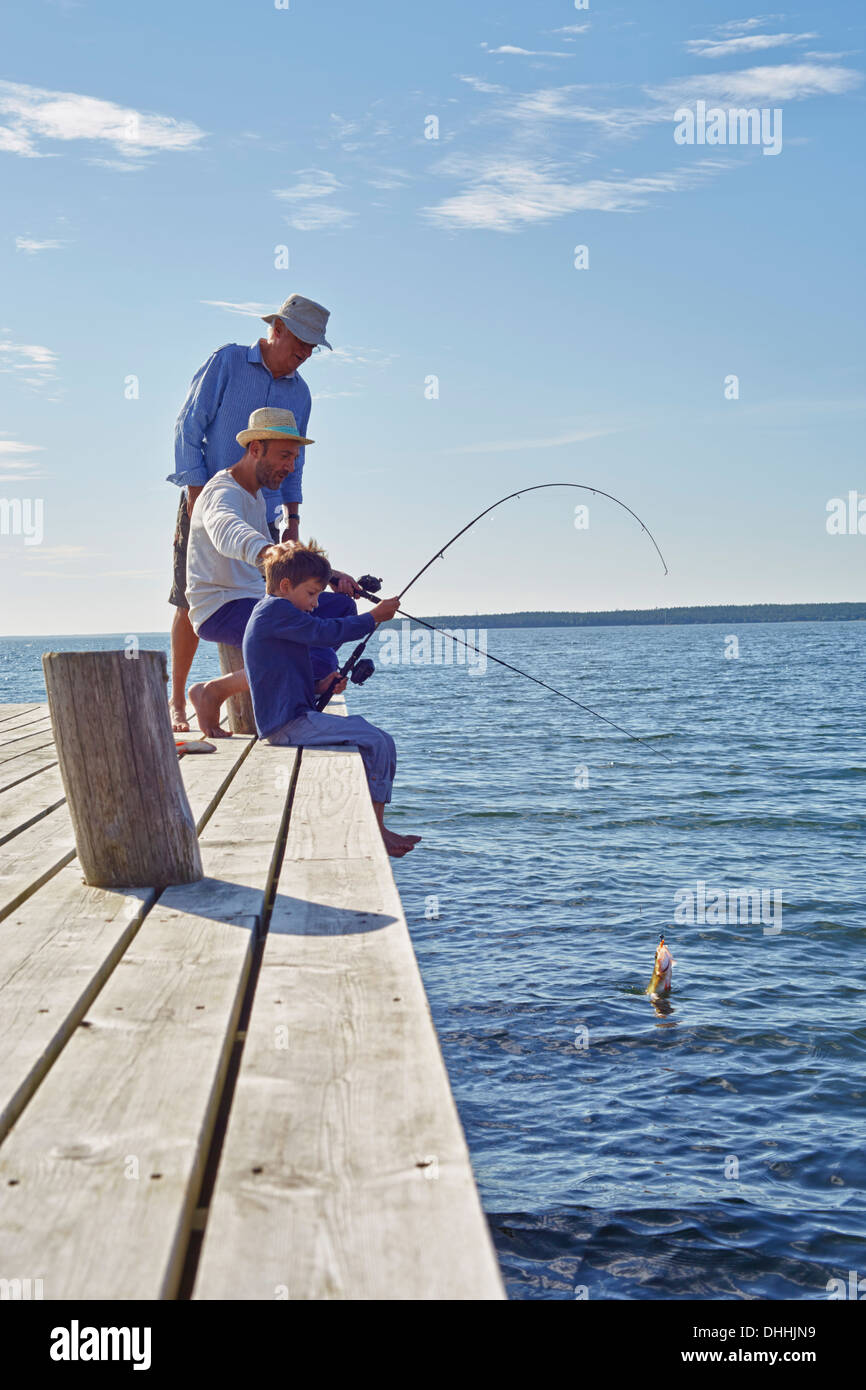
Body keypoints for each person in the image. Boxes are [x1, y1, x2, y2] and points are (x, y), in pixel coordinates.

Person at [167, 292, 338, 732]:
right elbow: (190, 426)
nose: (304, 354)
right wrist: (198, 495)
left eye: (312, 348)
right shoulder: (227, 361)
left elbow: (294, 463)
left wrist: (292, 523)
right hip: (208, 494)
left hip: (264, 504)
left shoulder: (300, 394)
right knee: (187, 599)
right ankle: (177, 699)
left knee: (276, 597)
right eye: (300, 342)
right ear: (276, 329)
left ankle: (242, 689)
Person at [185, 406, 359, 736]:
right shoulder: (221, 493)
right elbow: (228, 530)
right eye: (283, 456)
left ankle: (307, 677)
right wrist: (267, 551)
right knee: (318, 656)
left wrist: (331, 576)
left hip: (255, 599)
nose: (290, 467)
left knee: (342, 608)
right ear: (255, 449)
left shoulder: (255, 496)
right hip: (221, 607)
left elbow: (281, 560)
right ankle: (213, 691)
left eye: (294, 458)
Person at [243, 541, 421, 859]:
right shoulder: (276, 610)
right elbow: (326, 632)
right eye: (311, 593)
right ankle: (375, 830)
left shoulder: (276, 612)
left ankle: (376, 824)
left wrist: (320, 684)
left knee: (381, 740)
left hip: (292, 718)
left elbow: (284, 675)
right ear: (285, 586)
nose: (315, 604)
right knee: (376, 741)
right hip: (285, 726)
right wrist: (374, 617)